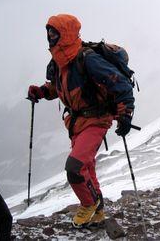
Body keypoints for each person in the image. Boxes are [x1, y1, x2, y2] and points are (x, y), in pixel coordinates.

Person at [27, 14, 135, 227]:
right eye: (48, 32)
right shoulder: (60, 62)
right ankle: (98, 213)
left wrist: (125, 114)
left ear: (65, 33)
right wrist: (40, 91)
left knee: (75, 167)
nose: (49, 35)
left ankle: (88, 204)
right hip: (78, 123)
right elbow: (58, 88)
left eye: (54, 32)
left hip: (96, 120)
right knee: (87, 168)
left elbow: (120, 83)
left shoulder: (87, 58)